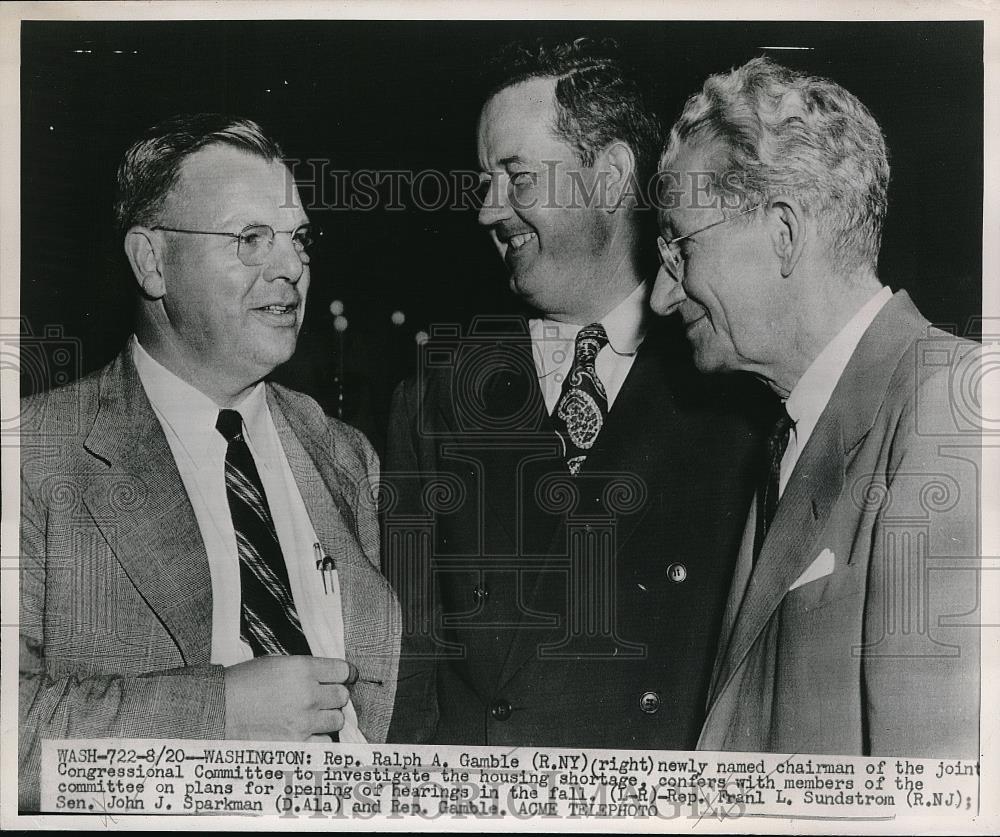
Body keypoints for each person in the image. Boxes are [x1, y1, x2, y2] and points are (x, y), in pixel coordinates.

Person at [383, 39, 768, 748]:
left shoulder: (737, 392)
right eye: (484, 182)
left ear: (613, 176)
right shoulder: (434, 397)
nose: (487, 212)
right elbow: (411, 662)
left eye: (518, 178)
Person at [18, 114, 400, 811]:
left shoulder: (343, 452)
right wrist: (217, 715)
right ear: (152, 261)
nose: (289, 267)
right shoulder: (35, 455)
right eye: (250, 239)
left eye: (297, 240)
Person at [650, 57, 980, 757]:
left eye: (679, 246)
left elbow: (932, 798)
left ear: (784, 233)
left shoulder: (949, 411)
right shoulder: (785, 433)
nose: (661, 294)